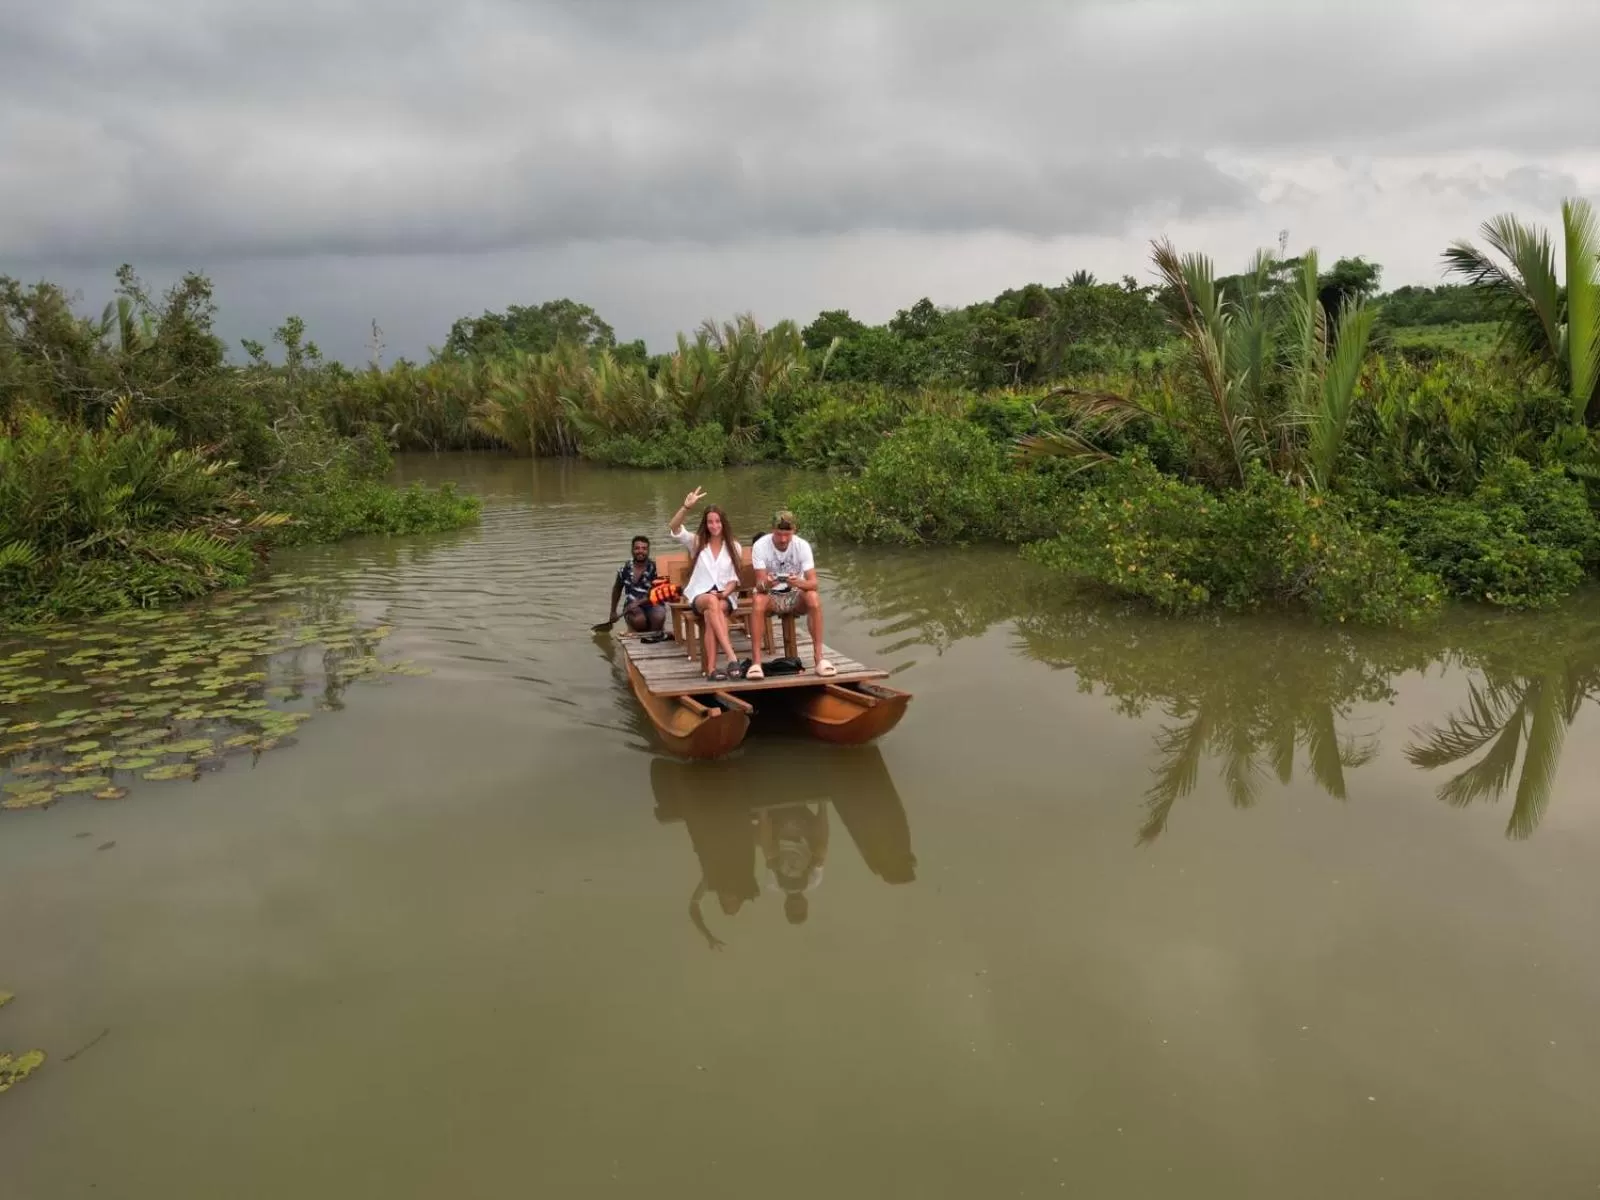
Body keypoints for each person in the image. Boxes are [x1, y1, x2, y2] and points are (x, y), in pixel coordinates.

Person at [667, 486, 744, 682]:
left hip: (725, 597)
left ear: (723, 523)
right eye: (710, 521)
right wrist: (686, 507)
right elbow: (674, 528)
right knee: (710, 602)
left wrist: (725, 593)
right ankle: (732, 657)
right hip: (700, 595)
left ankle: (711, 670)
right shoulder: (697, 542)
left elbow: (734, 580)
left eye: (717, 521)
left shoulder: (734, 547)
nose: (714, 525)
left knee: (713, 612)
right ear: (705, 524)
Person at [746, 510, 833, 679]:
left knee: (813, 597)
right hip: (771, 595)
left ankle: (819, 658)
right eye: (779, 534)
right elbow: (760, 585)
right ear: (772, 530)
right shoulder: (760, 546)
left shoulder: (802, 546)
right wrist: (768, 583)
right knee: (757, 600)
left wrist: (798, 583)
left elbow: (814, 583)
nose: (783, 539)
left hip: (795, 594)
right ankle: (756, 663)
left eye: (787, 534)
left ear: (794, 531)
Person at [758, 801, 829, 925]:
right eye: (799, 908)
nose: (795, 905)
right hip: (803, 830)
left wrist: (778, 872)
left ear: (786, 906)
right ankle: (822, 803)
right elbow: (820, 852)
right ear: (806, 904)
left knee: (769, 854)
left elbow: (770, 856)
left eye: (792, 908)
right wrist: (812, 865)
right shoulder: (813, 881)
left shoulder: (772, 884)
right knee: (822, 849)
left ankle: (762, 809)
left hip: (777, 830)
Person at [608, 535, 666, 633]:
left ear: (648, 551)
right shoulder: (625, 569)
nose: (640, 551)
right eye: (637, 548)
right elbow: (617, 589)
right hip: (632, 605)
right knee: (639, 621)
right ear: (632, 550)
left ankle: (655, 632)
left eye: (644, 548)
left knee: (658, 617)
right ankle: (635, 628)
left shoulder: (656, 569)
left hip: (653, 604)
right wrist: (613, 611)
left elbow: (659, 593)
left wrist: (638, 602)